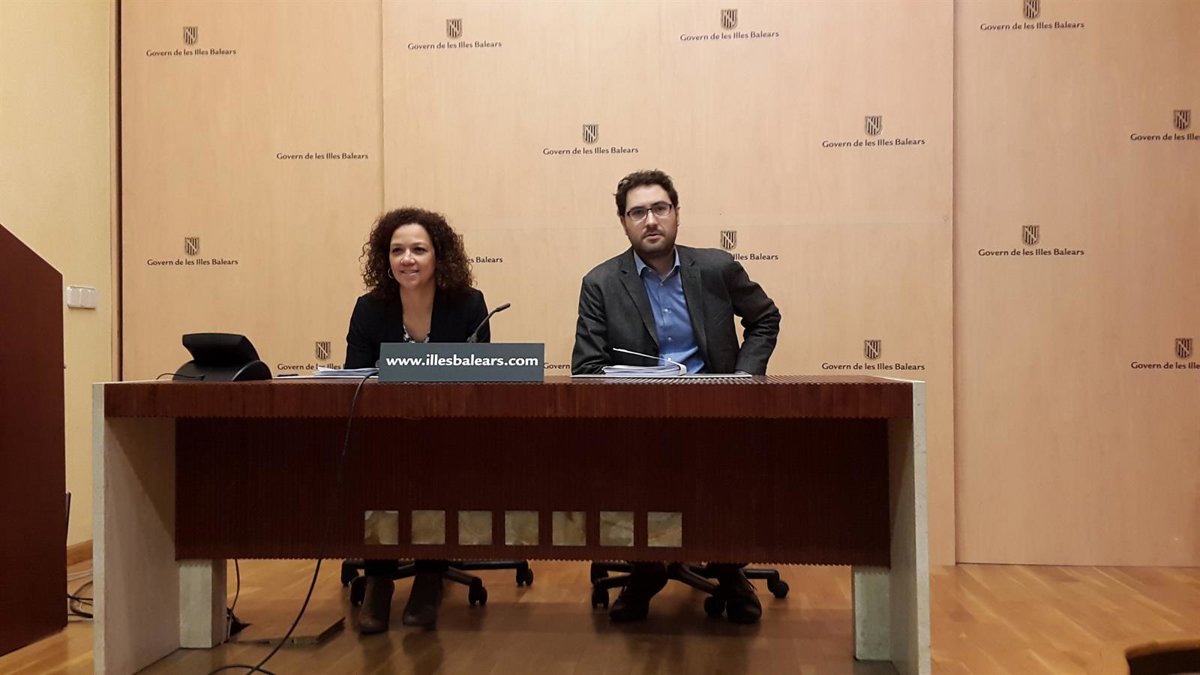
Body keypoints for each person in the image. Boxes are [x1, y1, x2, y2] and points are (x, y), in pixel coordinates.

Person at [571, 170, 781, 623]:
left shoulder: (717, 268)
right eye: (638, 212)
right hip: (639, 418)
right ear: (623, 222)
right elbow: (586, 368)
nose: (650, 220)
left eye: (659, 209)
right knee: (631, 464)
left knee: (726, 469)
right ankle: (646, 569)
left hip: (716, 412)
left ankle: (727, 567)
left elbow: (765, 318)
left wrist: (743, 378)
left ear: (677, 214)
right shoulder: (600, 283)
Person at [345, 207, 489, 633]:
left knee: (437, 466)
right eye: (397, 251)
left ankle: (429, 576)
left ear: (438, 256)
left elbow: (479, 377)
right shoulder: (370, 309)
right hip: (386, 429)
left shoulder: (468, 304)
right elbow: (356, 377)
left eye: (418, 250)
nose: (407, 259)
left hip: (448, 430)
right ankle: (378, 580)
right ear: (385, 259)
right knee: (376, 468)